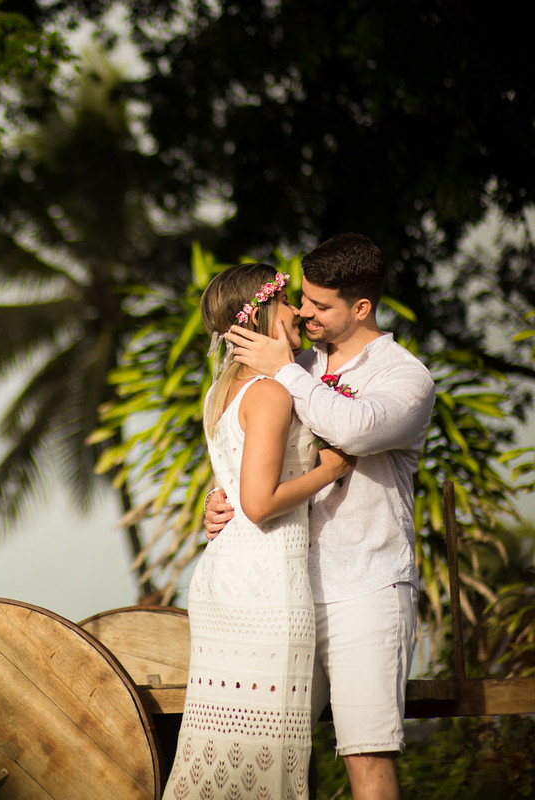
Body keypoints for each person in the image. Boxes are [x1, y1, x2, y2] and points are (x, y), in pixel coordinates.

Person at [210, 233, 436, 800]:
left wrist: (285, 371)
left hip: (367, 587)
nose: (304, 312)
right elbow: (253, 449)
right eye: (303, 298)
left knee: (366, 757)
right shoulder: (296, 360)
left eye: (320, 304)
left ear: (361, 307)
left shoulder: (405, 378)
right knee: (269, 755)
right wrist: (220, 500)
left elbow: (354, 430)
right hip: (285, 593)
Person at [164, 262, 354, 800]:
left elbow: (233, 480)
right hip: (266, 581)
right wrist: (330, 469)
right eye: (287, 300)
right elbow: (259, 503)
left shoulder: (222, 391)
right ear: (264, 312)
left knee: (225, 743)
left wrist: (213, 499)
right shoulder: (270, 392)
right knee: (270, 752)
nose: (297, 310)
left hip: (227, 577)